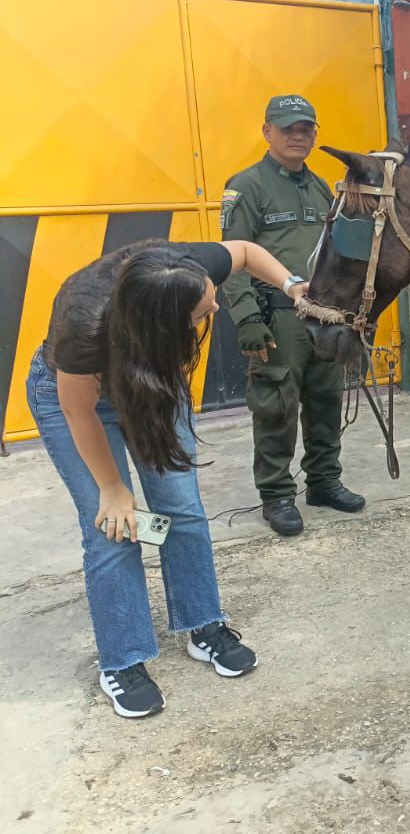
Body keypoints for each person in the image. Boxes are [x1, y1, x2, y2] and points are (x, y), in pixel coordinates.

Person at [26, 239, 308, 718]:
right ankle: (124, 659)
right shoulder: (85, 324)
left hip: (151, 381)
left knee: (182, 509)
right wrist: (114, 490)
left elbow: (241, 250)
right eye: (200, 314)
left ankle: (203, 625)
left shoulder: (187, 271)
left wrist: (292, 284)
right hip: (77, 401)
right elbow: (79, 412)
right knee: (113, 529)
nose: (213, 307)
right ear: (159, 320)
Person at [221, 95, 365, 536]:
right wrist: (247, 317)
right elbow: (232, 259)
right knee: (276, 406)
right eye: (288, 128)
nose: (297, 136)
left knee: (325, 400)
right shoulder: (247, 187)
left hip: (323, 317)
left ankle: (323, 481)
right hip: (277, 318)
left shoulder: (322, 187)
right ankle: (277, 494)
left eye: (306, 129)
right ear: (267, 131)